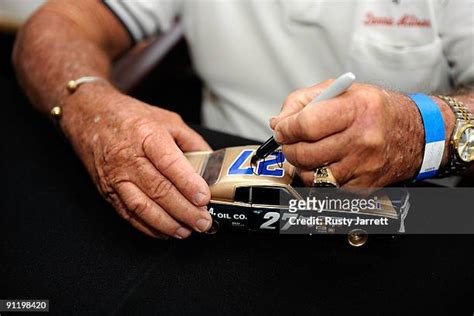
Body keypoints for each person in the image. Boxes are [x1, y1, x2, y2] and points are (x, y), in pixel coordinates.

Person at [13, 0, 474, 239]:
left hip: (411, 217)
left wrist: (421, 131)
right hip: (219, 212)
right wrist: (91, 105)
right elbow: (55, 25)